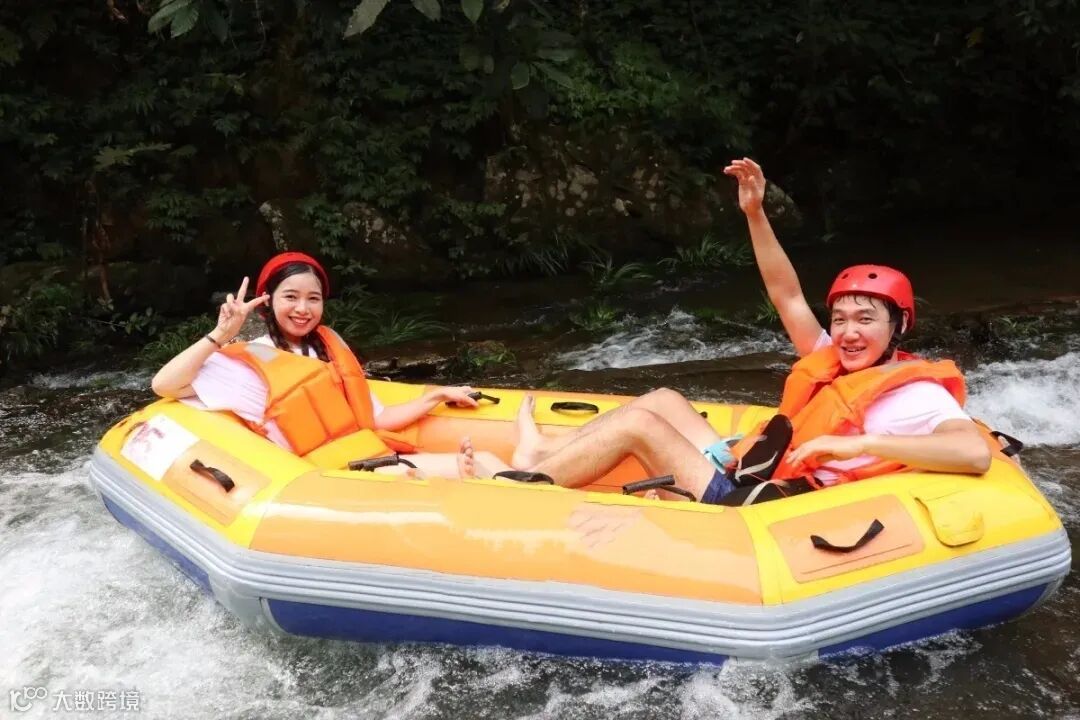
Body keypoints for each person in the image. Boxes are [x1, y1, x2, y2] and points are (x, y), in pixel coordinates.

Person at [509, 158, 991, 503]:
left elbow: (973, 452)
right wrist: (755, 214)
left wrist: (861, 444)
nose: (847, 332)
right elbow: (787, 295)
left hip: (753, 503)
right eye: (840, 319)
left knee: (639, 426)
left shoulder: (915, 396)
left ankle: (515, 493)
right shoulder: (833, 357)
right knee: (663, 400)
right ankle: (544, 452)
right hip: (746, 469)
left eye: (866, 320)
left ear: (898, 325)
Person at [151, 251, 507, 477]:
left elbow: (377, 418)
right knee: (448, 472)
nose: (303, 309)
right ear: (267, 302)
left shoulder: (328, 348)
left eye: (313, 298)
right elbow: (164, 385)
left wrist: (436, 396)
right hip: (326, 481)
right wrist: (221, 334)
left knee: (488, 462)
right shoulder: (247, 361)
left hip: (371, 459)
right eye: (291, 297)